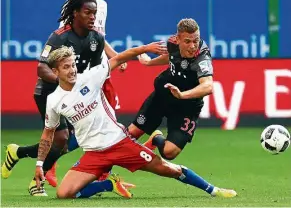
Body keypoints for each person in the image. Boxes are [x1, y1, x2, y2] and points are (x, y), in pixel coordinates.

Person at [34, 45, 237, 199]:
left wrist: (146, 48)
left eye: (73, 65)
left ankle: (214, 190)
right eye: (66, 67)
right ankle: (108, 185)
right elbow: (48, 132)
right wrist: (40, 164)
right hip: (93, 154)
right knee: (64, 194)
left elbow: (122, 56)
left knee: (169, 169)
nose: (72, 70)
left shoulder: (90, 77)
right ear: (55, 71)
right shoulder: (54, 101)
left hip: (119, 143)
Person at [1, 0, 133, 196]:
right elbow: (41, 69)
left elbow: (95, 69)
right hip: (49, 92)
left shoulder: (96, 39)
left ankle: (17, 152)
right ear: (75, 14)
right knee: (61, 138)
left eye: (94, 13)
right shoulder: (59, 36)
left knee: (71, 141)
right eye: (88, 12)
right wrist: (62, 81)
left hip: (74, 94)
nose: (92, 17)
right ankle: (37, 181)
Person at [45, 0, 126, 186]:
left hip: (100, 72)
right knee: (92, 126)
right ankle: (53, 163)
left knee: (106, 124)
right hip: (83, 75)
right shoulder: (75, 4)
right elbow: (67, 39)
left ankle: (99, 173)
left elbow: (99, 36)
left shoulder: (103, 5)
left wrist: (113, 57)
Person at [130, 18, 213, 161]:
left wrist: (181, 95)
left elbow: (208, 86)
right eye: (187, 41)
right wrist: (149, 62)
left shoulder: (202, 57)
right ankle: (105, 173)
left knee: (170, 152)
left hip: (187, 106)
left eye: (196, 40)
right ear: (178, 39)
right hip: (162, 96)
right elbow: (171, 57)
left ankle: (156, 138)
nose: (193, 46)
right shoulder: (171, 43)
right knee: (130, 134)